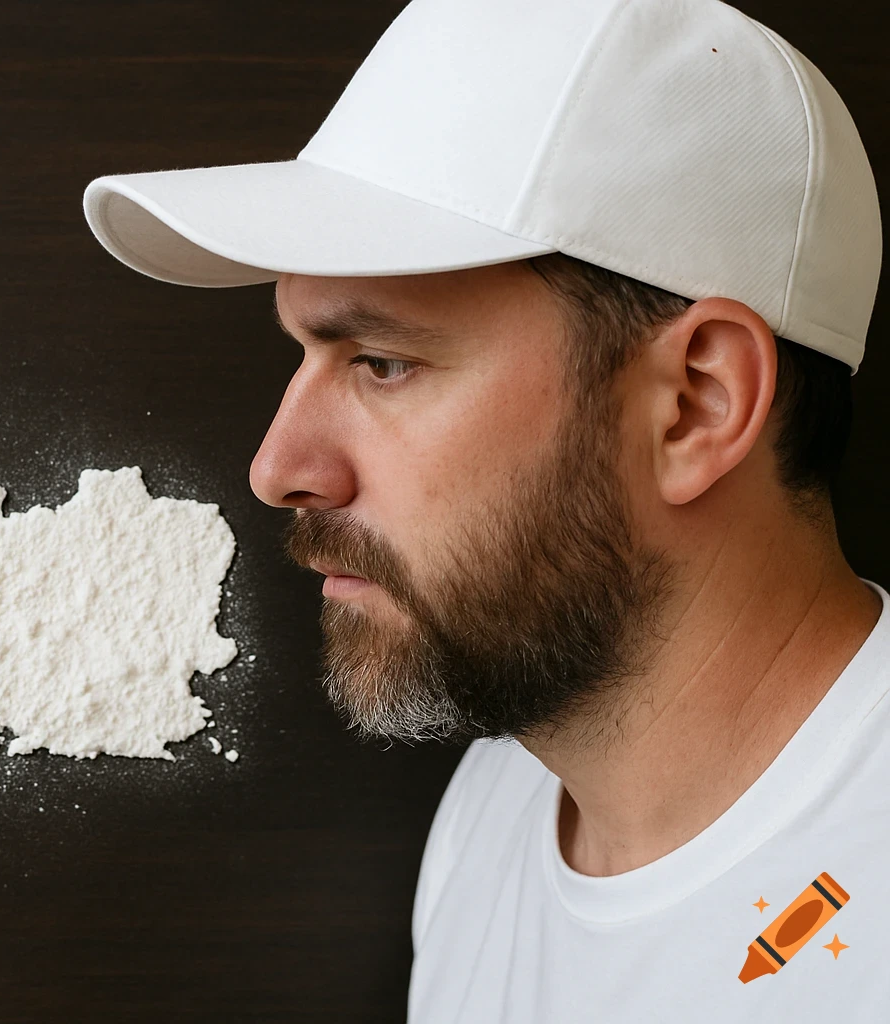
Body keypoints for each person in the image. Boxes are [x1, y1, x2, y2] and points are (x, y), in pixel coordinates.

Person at [81, 0, 886, 1019]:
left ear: (696, 404)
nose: (278, 468)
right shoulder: (497, 809)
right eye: (308, 354)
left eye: (382, 361)